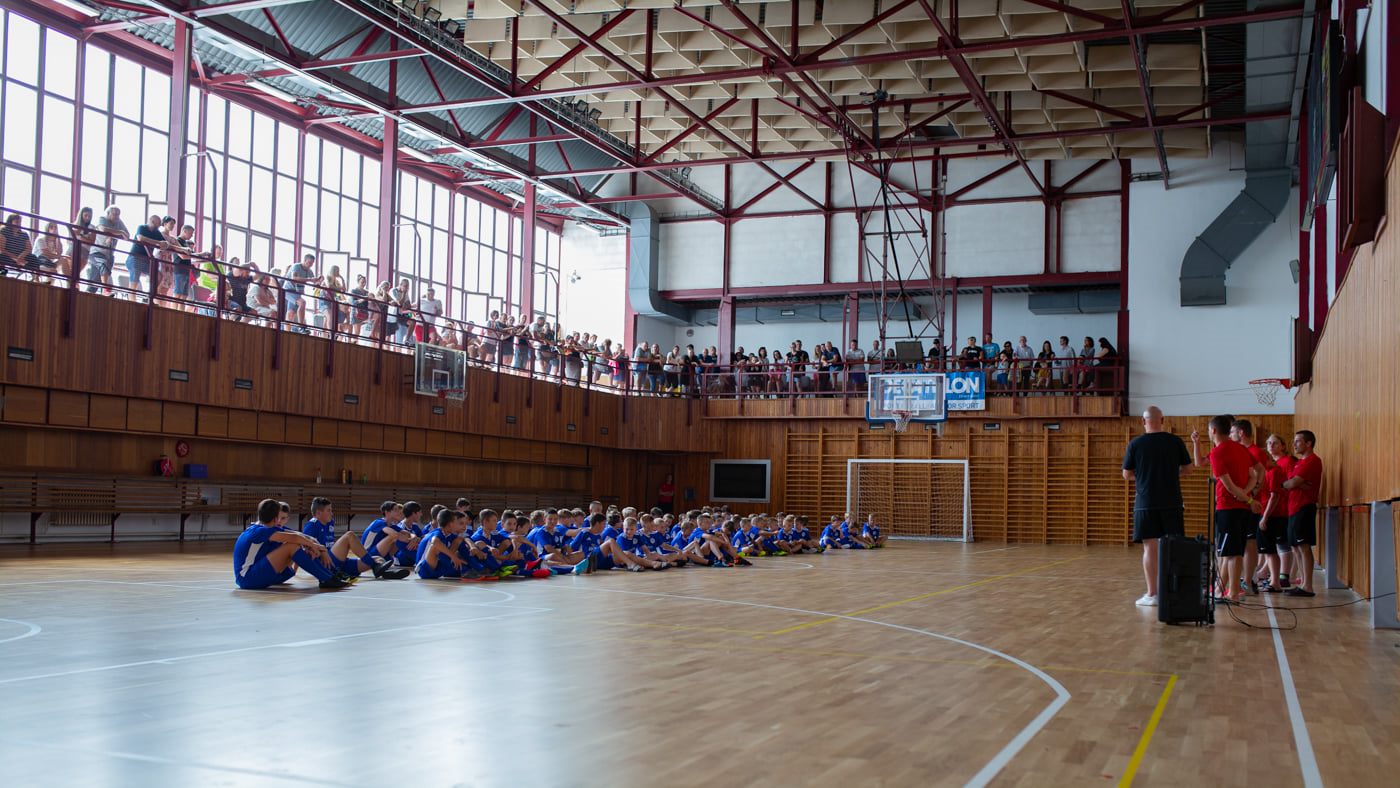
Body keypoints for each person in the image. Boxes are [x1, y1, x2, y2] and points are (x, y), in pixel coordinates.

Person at [1122, 406, 1193, 607]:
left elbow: (1126, 474)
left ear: (1143, 421)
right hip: (1172, 502)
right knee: (1172, 547)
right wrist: (1171, 474)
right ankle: (1171, 591)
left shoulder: (1135, 444)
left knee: (1149, 548)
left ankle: (1152, 594)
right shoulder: (1175, 441)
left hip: (1146, 503)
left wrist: (1144, 477)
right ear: (1162, 420)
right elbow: (1188, 469)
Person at [1192, 415, 1261, 604]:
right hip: (1241, 508)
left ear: (1213, 430)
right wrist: (1246, 495)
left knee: (1230, 554)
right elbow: (1254, 476)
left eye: (1208, 430)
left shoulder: (1218, 452)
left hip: (1229, 508)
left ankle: (1232, 594)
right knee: (1235, 552)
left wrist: (1246, 498)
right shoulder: (1240, 449)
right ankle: (1230, 591)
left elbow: (1229, 486)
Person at [233, 498, 351, 590]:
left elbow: (302, 536)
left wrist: (319, 548)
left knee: (298, 543)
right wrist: (316, 547)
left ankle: (329, 575)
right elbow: (294, 538)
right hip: (247, 578)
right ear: (275, 519)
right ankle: (326, 578)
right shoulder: (259, 531)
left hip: (254, 575)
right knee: (292, 545)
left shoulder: (265, 527)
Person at [301, 497, 410, 580]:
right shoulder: (311, 525)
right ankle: (376, 567)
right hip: (327, 563)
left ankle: (385, 572)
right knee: (349, 535)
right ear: (318, 513)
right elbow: (306, 547)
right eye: (328, 510)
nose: (332, 513)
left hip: (339, 563)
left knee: (378, 559)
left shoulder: (329, 523)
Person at [1230, 419, 1271, 594]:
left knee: (1250, 542)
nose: (1230, 435)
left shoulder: (1255, 452)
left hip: (1251, 505)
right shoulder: (1239, 451)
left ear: (1241, 433)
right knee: (1242, 542)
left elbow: (1261, 475)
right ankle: (1245, 580)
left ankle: (1248, 581)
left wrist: (1250, 494)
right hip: (1241, 504)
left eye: (1232, 432)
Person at [1282, 430, 1322, 597]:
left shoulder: (1313, 461)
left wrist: (1293, 483)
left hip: (1304, 507)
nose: (1295, 444)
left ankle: (1308, 586)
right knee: (1295, 547)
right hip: (1293, 508)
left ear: (1308, 443)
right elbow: (1289, 482)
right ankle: (1302, 582)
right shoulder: (1299, 463)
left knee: (1303, 546)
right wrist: (1293, 483)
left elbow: (1291, 483)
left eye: (1298, 441)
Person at [1257, 433, 1295, 592]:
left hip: (1276, 513)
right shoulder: (1269, 471)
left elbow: (1276, 494)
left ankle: (1279, 579)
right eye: (1269, 443)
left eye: (1275, 443)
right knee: (1270, 549)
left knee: (1277, 548)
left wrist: (1265, 517)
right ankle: (1272, 578)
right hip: (1271, 512)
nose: (1271, 446)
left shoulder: (1277, 469)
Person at [88, 205, 129, 293]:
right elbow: (103, 229)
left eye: (118, 214)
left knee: (96, 277)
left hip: (109, 254)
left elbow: (127, 235)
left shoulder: (119, 222)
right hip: (96, 252)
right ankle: (106, 290)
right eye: (114, 214)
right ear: (108, 213)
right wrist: (120, 232)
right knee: (103, 265)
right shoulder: (102, 219)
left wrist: (114, 234)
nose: (116, 216)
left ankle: (89, 292)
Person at [124, 214, 166, 294]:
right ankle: (131, 297)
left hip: (147, 259)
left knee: (158, 276)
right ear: (152, 221)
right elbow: (140, 238)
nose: (159, 226)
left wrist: (164, 244)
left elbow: (164, 243)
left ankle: (149, 295)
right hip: (135, 257)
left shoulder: (157, 232)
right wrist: (158, 242)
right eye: (158, 224)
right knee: (135, 276)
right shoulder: (142, 227)